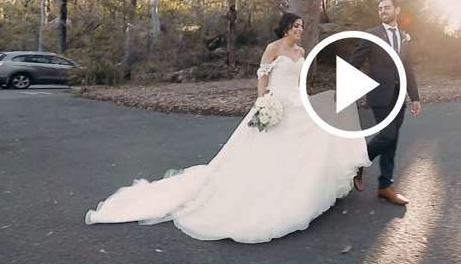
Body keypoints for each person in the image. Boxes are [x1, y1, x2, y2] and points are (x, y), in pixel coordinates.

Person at [85, 13, 370, 243]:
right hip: (275, 103)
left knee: (319, 133)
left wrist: (305, 99)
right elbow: (262, 76)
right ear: (285, 28)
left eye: (302, 27)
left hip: (297, 103)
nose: (300, 30)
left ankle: (320, 183)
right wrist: (263, 102)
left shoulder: (302, 51)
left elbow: (300, 82)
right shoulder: (273, 49)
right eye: (296, 26)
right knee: (266, 153)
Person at [349, 0, 421, 206]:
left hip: (399, 96)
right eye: (380, 8)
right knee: (388, 135)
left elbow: (408, 69)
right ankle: (358, 163)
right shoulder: (371, 34)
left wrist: (415, 97)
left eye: (387, 7)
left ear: (397, 10)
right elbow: (354, 63)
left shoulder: (404, 36)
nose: (382, 10)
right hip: (379, 95)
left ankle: (385, 186)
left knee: (393, 139)